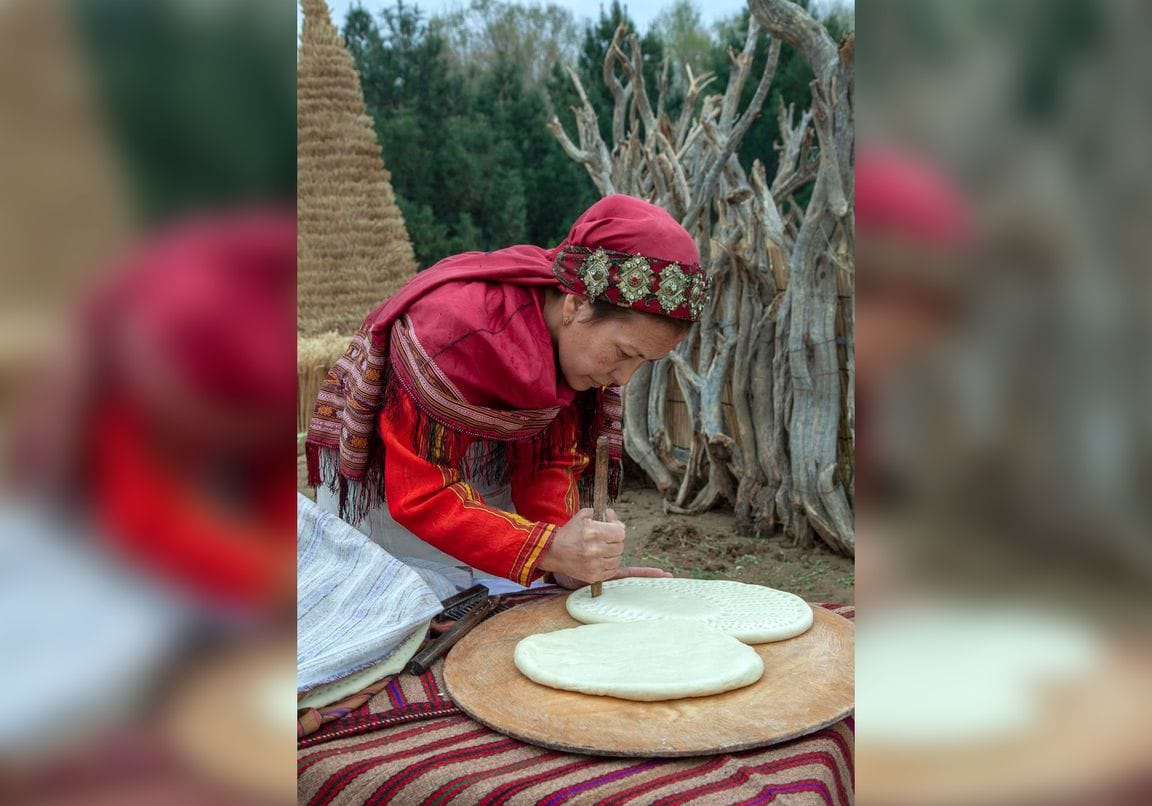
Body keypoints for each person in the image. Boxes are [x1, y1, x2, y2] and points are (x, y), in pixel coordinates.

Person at [306, 194, 711, 593]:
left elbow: (546, 458)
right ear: (577, 305)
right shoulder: (453, 333)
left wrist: (569, 559)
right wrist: (548, 548)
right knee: (404, 607)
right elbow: (419, 492)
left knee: (493, 597)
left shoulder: (575, 351)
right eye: (624, 353)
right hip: (386, 485)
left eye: (643, 362)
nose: (622, 379)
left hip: (473, 480)